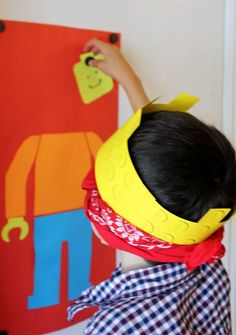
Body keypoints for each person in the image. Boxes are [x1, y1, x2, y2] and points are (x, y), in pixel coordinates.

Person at [68, 39, 236, 334]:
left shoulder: (115, 326)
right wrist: (131, 81)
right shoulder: (207, 269)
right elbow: (165, 170)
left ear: (105, 226)